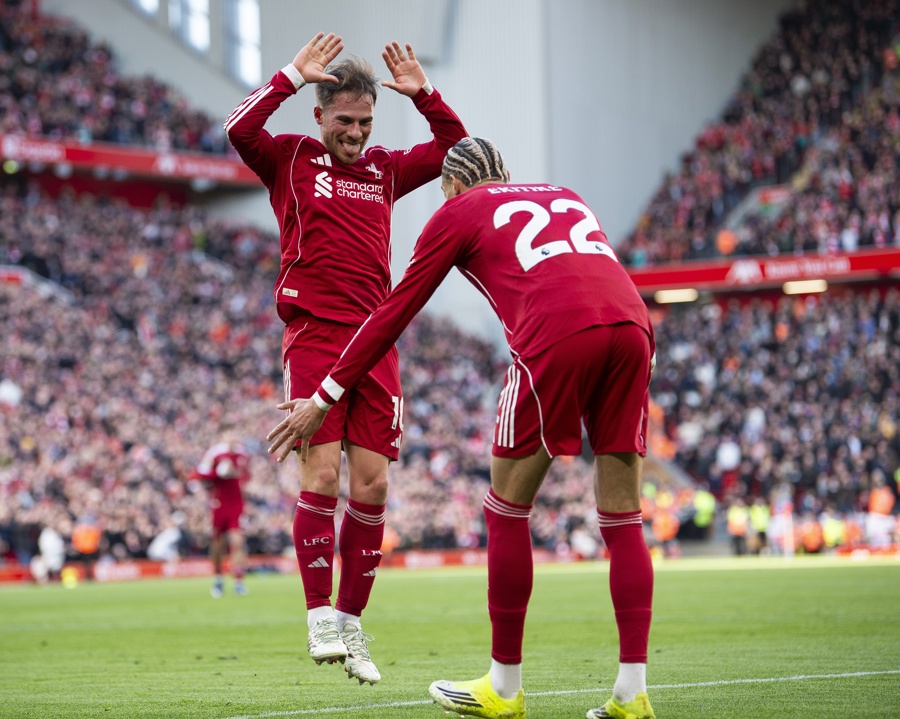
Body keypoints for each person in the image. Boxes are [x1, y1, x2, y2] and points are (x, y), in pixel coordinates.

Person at [267, 138, 657, 719]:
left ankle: (503, 688)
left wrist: (323, 396)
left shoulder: (458, 210)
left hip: (556, 334)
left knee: (506, 511)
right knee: (623, 517)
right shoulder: (563, 193)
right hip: (632, 325)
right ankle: (632, 694)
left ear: (450, 186)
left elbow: (392, 314)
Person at [224, 32, 467, 684]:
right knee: (322, 474)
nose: (356, 133)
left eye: (363, 122)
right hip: (313, 336)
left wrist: (426, 96)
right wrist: (289, 76)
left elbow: (457, 152)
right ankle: (317, 614)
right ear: (320, 116)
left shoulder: (385, 169)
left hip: (376, 344)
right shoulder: (292, 158)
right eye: (345, 122)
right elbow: (238, 129)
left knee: (374, 485)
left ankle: (353, 620)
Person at [190, 436, 251, 598]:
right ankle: (218, 578)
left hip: (236, 504)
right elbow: (199, 474)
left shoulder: (242, 455)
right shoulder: (214, 454)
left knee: (237, 541)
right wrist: (218, 473)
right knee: (217, 545)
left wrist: (236, 475)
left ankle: (238, 581)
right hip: (219, 504)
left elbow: (246, 476)